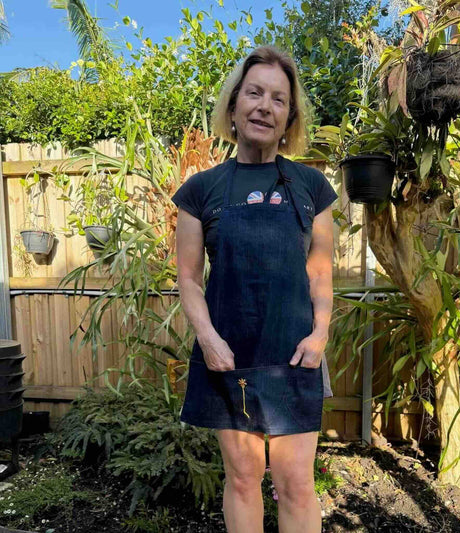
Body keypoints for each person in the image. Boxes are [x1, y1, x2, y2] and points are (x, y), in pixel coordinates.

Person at [172, 45, 338, 533]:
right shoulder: (201, 190)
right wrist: (207, 338)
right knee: (244, 477)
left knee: (296, 483)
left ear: (290, 117)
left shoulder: (312, 186)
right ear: (233, 106)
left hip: (295, 354)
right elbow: (187, 277)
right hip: (228, 354)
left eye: (279, 99)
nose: (265, 106)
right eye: (255, 93)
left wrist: (320, 335)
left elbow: (322, 272)